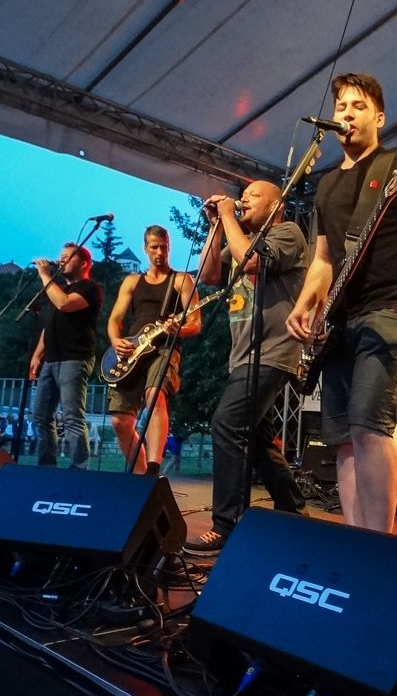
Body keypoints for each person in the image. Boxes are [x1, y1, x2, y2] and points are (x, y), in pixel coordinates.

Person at [286, 73, 397, 533]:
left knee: (367, 425)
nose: (347, 114)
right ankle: (355, 542)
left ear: (379, 118)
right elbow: (324, 260)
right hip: (340, 321)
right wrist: (304, 303)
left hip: (392, 313)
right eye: (341, 106)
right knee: (341, 438)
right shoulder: (325, 185)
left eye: (358, 106)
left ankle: (378, 546)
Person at [183, 181, 309, 555]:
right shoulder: (241, 239)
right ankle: (294, 514)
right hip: (243, 355)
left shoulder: (288, 232)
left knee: (227, 423)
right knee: (257, 440)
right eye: (244, 195)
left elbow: (252, 262)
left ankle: (226, 524)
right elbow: (208, 275)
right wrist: (215, 226)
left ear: (276, 206)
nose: (244, 200)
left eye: (254, 196)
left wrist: (227, 215)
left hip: (272, 351)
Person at [107, 225, 200, 475]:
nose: (160, 252)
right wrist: (116, 341)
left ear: (169, 247)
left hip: (164, 349)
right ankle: (140, 476)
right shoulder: (132, 281)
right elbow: (115, 318)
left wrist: (178, 330)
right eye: (154, 247)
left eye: (164, 247)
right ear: (145, 248)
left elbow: (195, 323)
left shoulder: (181, 280)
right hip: (132, 352)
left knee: (154, 395)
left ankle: (153, 467)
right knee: (119, 420)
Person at [29, 243, 103, 469]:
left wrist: (44, 275)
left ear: (84, 263)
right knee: (41, 415)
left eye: (67, 257)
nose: (61, 260)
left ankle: (79, 469)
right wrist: (37, 355)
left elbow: (64, 304)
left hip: (74, 358)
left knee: (72, 416)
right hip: (52, 359)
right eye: (60, 256)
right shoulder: (59, 288)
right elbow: (50, 326)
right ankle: (47, 465)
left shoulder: (90, 288)